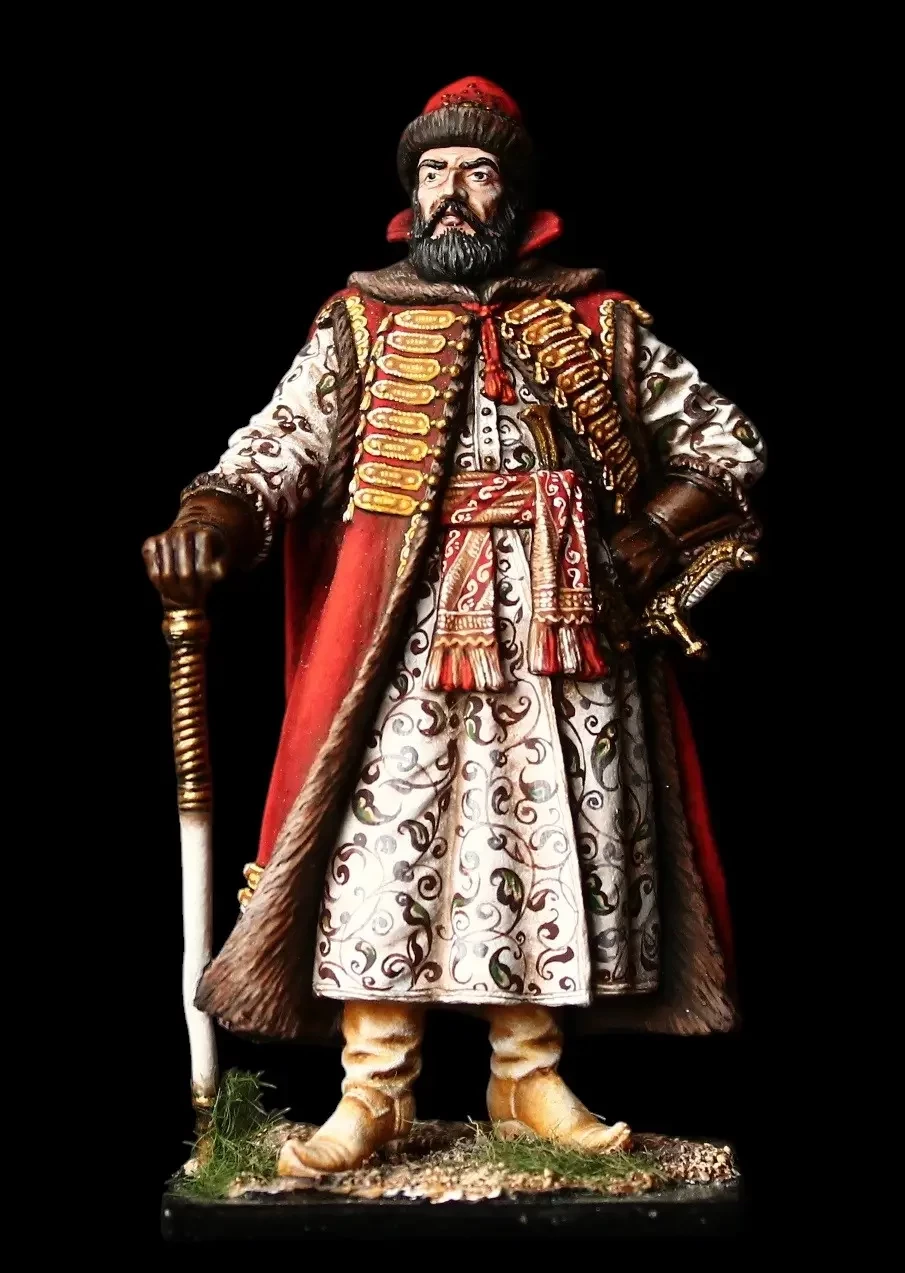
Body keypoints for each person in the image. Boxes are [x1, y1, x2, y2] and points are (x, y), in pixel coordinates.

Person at [143, 77, 766, 1176]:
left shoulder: (599, 321)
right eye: (432, 172)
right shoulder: (359, 323)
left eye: (475, 173)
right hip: (408, 631)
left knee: (546, 838)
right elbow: (278, 444)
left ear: (514, 195)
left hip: (566, 629)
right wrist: (212, 515)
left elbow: (725, 441)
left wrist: (655, 530)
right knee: (386, 841)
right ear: (408, 195)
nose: (451, 192)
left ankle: (527, 1077)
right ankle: (374, 1089)